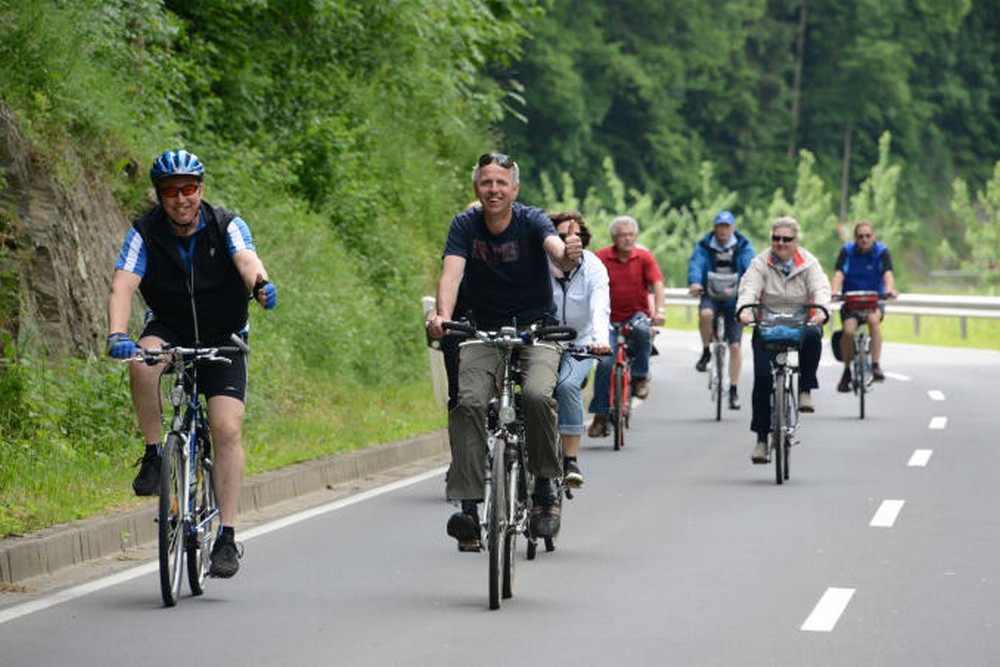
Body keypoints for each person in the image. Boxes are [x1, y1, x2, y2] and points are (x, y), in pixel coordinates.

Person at [107, 149, 277, 578]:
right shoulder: (144, 233)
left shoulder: (226, 225)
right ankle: (152, 455)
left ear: (201, 189)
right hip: (172, 329)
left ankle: (227, 536)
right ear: (159, 195)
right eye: (170, 191)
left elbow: (246, 260)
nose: (181, 199)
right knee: (143, 365)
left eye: (189, 189)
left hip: (225, 336)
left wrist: (260, 284)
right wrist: (116, 333)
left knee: (225, 428)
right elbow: (123, 285)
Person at [425, 153, 582, 550]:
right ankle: (469, 507)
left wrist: (567, 254)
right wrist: (443, 316)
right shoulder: (465, 225)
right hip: (482, 329)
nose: (493, 190)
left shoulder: (531, 221)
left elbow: (555, 250)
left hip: (536, 330)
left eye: (501, 183)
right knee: (469, 402)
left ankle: (546, 488)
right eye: (486, 183)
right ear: (477, 188)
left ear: (514, 189)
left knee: (535, 395)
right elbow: (452, 272)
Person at [736, 216, 830, 464]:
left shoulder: (808, 263)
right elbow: (749, 287)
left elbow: (820, 287)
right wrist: (745, 311)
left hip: (799, 323)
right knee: (763, 379)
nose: (781, 244)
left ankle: (806, 389)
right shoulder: (760, 262)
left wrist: (820, 311)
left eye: (787, 239)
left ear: (796, 241)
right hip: (767, 324)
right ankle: (761, 440)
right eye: (776, 239)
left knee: (814, 335)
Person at [548, 211, 611, 488]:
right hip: (543, 340)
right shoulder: (538, 264)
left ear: (583, 241)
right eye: (560, 238)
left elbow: (600, 307)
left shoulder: (594, 267)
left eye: (574, 237)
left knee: (567, 385)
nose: (567, 243)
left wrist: (600, 339)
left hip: (581, 341)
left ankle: (569, 460)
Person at [587, 215, 665, 437]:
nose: (628, 239)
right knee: (605, 363)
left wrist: (660, 311)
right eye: (622, 235)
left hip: (636, 315)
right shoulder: (601, 257)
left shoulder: (644, 257)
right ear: (613, 237)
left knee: (643, 331)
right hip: (607, 319)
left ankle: (640, 377)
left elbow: (657, 284)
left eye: (631, 235)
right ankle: (601, 416)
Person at [687, 210, 756, 409]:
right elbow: (696, 265)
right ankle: (706, 350)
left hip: (734, 298)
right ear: (715, 228)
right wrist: (694, 282)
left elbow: (751, 268)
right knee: (706, 314)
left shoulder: (743, 246)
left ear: (732, 228)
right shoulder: (704, 245)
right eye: (720, 227)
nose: (723, 231)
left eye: (727, 227)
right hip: (710, 294)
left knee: (735, 346)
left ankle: (733, 390)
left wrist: (749, 289)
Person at [830, 220, 898, 391]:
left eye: (868, 236)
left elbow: (887, 273)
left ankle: (875, 365)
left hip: (873, 300)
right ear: (855, 238)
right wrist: (834, 291)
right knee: (848, 331)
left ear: (873, 237)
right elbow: (839, 274)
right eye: (860, 236)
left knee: (873, 321)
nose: (864, 240)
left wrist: (889, 289)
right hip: (851, 301)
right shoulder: (847, 251)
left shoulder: (881, 252)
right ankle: (846, 371)